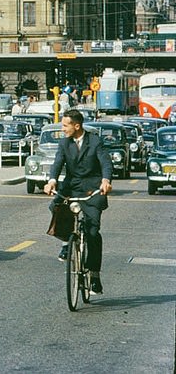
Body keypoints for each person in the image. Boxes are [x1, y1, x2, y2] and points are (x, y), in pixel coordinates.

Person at [44, 109, 112, 295]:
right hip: (71, 186)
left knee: (92, 231)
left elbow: (106, 162)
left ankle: (95, 275)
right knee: (56, 205)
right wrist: (52, 180)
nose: (63, 129)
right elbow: (58, 163)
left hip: (93, 188)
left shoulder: (95, 141)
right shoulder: (64, 143)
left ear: (77, 126)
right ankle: (67, 242)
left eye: (65, 125)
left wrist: (106, 180)